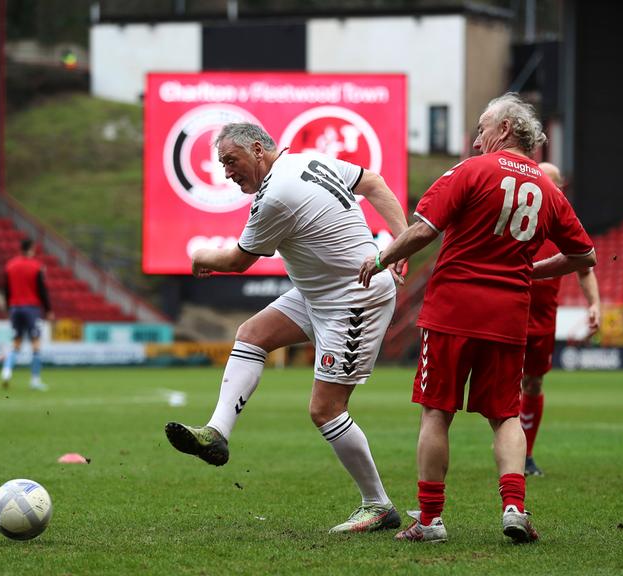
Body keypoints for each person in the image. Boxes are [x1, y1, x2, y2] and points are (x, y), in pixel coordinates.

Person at [359, 92, 597, 544]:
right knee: (506, 415)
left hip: (453, 311)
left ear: (505, 129)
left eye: (482, 128)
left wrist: (382, 256)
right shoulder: (548, 190)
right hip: (509, 318)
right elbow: (584, 254)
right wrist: (533, 269)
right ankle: (513, 507)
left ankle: (430, 520)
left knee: (436, 413)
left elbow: (424, 230)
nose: (475, 141)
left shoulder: (471, 171)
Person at [165, 122, 409, 534]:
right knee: (252, 334)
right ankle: (217, 433)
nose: (227, 172)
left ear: (258, 149)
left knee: (326, 409)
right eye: (222, 164)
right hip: (321, 293)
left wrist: (200, 255)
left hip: (354, 299)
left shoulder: (275, 194)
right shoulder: (306, 160)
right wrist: (403, 240)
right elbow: (374, 182)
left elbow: (237, 263)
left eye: (231, 160)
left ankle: (378, 505)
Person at [520, 162, 601, 477]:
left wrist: (594, 303)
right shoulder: (518, 217)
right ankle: (512, 453)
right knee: (508, 385)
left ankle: (525, 455)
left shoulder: (562, 222)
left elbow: (585, 267)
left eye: (551, 182)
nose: (544, 186)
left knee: (534, 382)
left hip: (542, 320)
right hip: (509, 313)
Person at [1, 238, 53, 391]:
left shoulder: (10, 265)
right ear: (31, 249)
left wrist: (8, 307)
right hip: (31, 308)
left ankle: (6, 372)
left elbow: (6, 289)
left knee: (16, 342)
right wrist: (48, 309)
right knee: (36, 343)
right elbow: (42, 290)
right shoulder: (36, 267)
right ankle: (35, 380)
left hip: (15, 308)